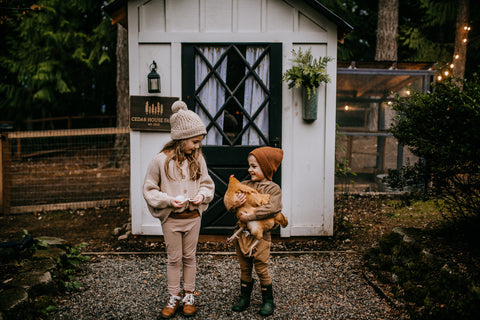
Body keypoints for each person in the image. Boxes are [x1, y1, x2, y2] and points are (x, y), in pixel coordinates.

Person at [143, 100, 215, 319]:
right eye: (194, 141)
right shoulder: (159, 161)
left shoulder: (198, 159)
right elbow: (149, 189)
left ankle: (189, 295)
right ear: (181, 138)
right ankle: (173, 296)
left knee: (190, 257)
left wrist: (202, 195)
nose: (197, 146)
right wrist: (167, 200)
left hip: (193, 218)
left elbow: (207, 183)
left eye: (199, 142)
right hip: (172, 220)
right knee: (174, 259)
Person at [224, 146, 284, 317]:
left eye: (254, 166)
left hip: (261, 236)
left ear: (266, 167)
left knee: (261, 267)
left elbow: (274, 208)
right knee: (244, 267)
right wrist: (234, 204)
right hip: (242, 234)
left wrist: (250, 217)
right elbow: (229, 203)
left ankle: (268, 300)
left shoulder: (273, 189)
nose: (249, 169)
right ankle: (244, 298)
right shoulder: (246, 185)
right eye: (249, 166)